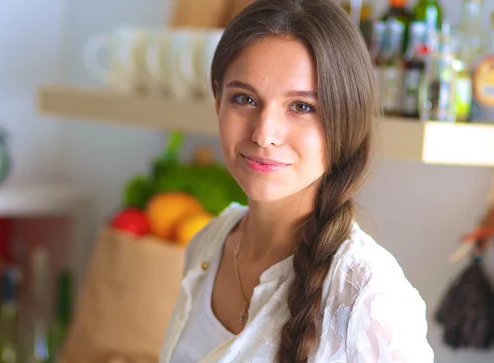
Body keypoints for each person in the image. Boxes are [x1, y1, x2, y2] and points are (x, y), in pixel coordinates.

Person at [159, 0, 435, 362]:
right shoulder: (208, 244)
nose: (264, 134)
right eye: (244, 99)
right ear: (217, 103)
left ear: (344, 119)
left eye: (302, 107)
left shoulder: (369, 297)